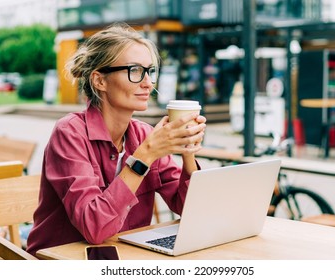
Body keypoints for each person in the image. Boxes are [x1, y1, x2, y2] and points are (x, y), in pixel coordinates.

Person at [26, 23, 206, 256]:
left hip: (124, 258)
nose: (148, 83)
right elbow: (95, 227)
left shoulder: (143, 134)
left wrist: (188, 150)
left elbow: (189, 208)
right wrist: (146, 154)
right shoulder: (70, 133)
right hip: (62, 262)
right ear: (100, 81)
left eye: (149, 71)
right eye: (134, 70)